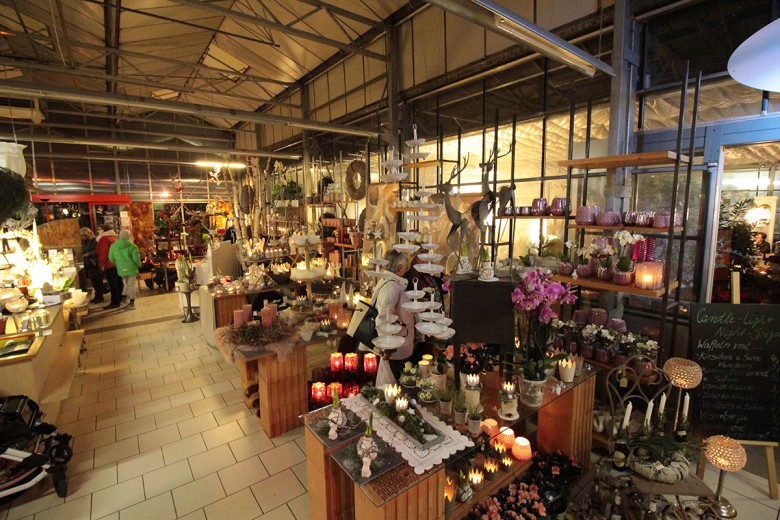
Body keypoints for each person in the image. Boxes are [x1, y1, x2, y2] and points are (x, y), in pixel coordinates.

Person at [371, 250, 416, 379]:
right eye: (406, 265)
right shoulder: (391, 287)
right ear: (400, 267)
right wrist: (388, 349)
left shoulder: (391, 283)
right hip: (396, 348)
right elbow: (383, 320)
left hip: (399, 343)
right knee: (396, 380)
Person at [109, 229, 141, 310]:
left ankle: (123, 297)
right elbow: (136, 259)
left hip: (121, 268)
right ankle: (132, 302)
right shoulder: (132, 246)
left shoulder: (113, 246)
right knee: (131, 285)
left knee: (126, 283)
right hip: (131, 268)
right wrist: (139, 265)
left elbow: (111, 258)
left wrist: (118, 264)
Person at [97, 224, 123, 309]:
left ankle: (115, 302)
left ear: (104, 230)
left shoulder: (104, 239)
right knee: (118, 281)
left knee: (112, 283)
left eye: (99, 229)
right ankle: (120, 297)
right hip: (118, 262)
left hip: (109, 264)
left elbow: (103, 253)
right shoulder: (115, 237)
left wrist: (102, 265)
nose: (98, 231)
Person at [80, 227, 104, 303]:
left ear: (90, 233)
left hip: (95, 264)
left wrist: (89, 254)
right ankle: (97, 296)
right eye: (82, 235)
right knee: (94, 282)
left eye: (85, 235)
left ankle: (100, 297)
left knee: (98, 281)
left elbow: (99, 251)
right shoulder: (83, 242)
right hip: (88, 264)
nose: (84, 237)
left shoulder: (95, 240)